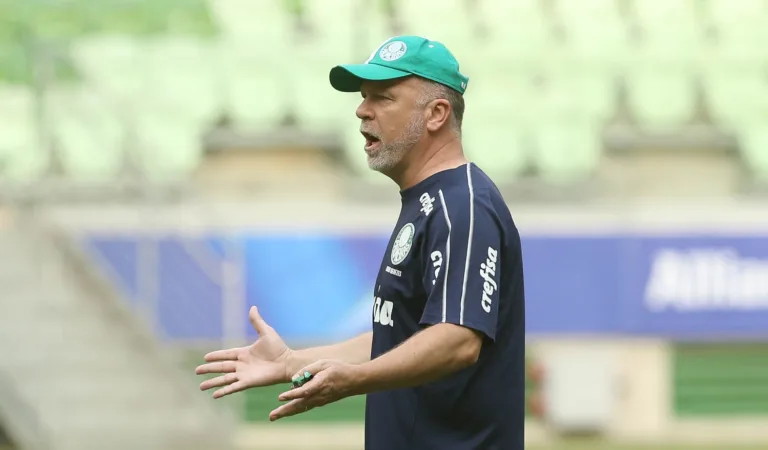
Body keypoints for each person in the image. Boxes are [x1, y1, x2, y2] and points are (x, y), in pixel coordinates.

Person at [196, 35, 526, 450]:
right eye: (363, 97)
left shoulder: (462, 206)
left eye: (382, 97)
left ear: (436, 113)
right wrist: (293, 363)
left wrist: (352, 381)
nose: (361, 110)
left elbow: (457, 340)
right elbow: (401, 336)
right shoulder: (427, 202)